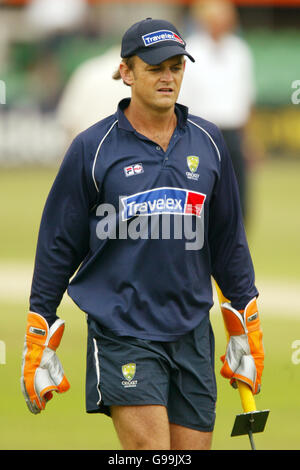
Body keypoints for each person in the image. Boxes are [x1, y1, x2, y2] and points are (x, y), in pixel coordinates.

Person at [21, 17, 264, 451]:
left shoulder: (209, 143)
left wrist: (247, 327)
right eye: (155, 68)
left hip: (191, 330)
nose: (168, 77)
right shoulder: (92, 149)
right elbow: (58, 245)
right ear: (127, 73)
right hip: (123, 330)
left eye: (175, 66)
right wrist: (40, 332)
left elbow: (229, 244)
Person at [179, 0, 256, 221]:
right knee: (197, 190)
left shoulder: (240, 51)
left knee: (238, 197)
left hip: (232, 132)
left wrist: (248, 139)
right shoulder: (190, 50)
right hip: (200, 131)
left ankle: (235, 247)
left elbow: (246, 96)